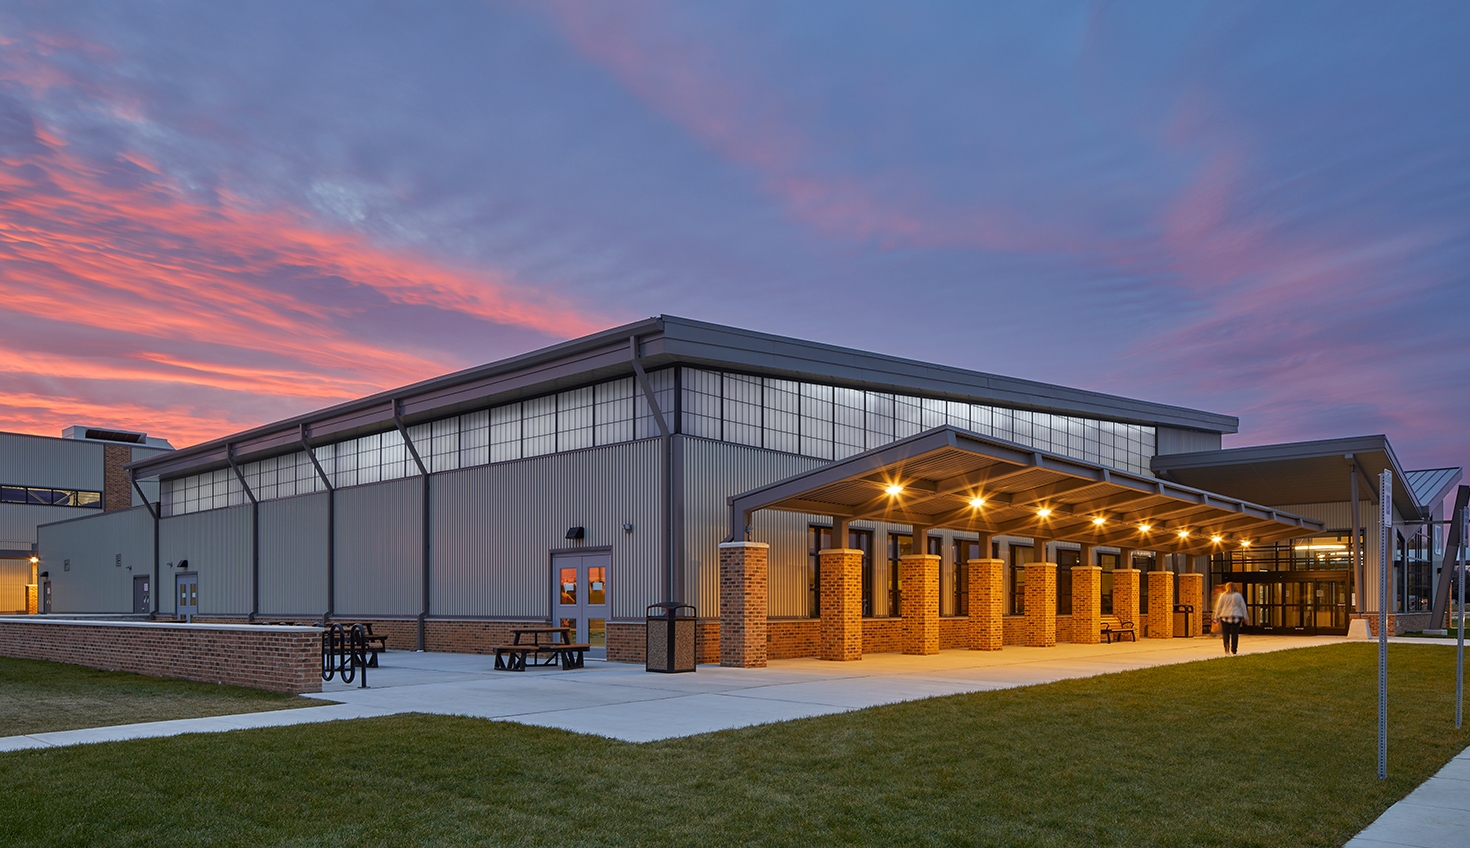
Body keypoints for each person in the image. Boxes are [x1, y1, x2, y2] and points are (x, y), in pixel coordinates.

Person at [1213, 582, 1249, 655]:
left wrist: (1216, 616)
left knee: (1225, 633)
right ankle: (1234, 649)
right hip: (1236, 616)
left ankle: (1226, 648)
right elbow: (1243, 607)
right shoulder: (1238, 596)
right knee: (1235, 634)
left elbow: (1219, 606)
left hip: (1224, 616)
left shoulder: (1222, 596)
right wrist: (1246, 617)